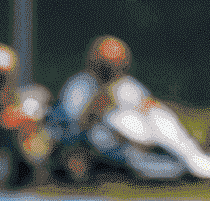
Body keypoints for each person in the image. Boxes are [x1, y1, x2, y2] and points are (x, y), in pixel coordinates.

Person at [49, 35, 147, 175]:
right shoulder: (80, 85)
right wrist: (95, 108)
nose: (108, 71)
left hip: (124, 150)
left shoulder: (130, 88)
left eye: (112, 66)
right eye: (104, 66)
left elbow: (146, 124)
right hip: (86, 147)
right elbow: (71, 129)